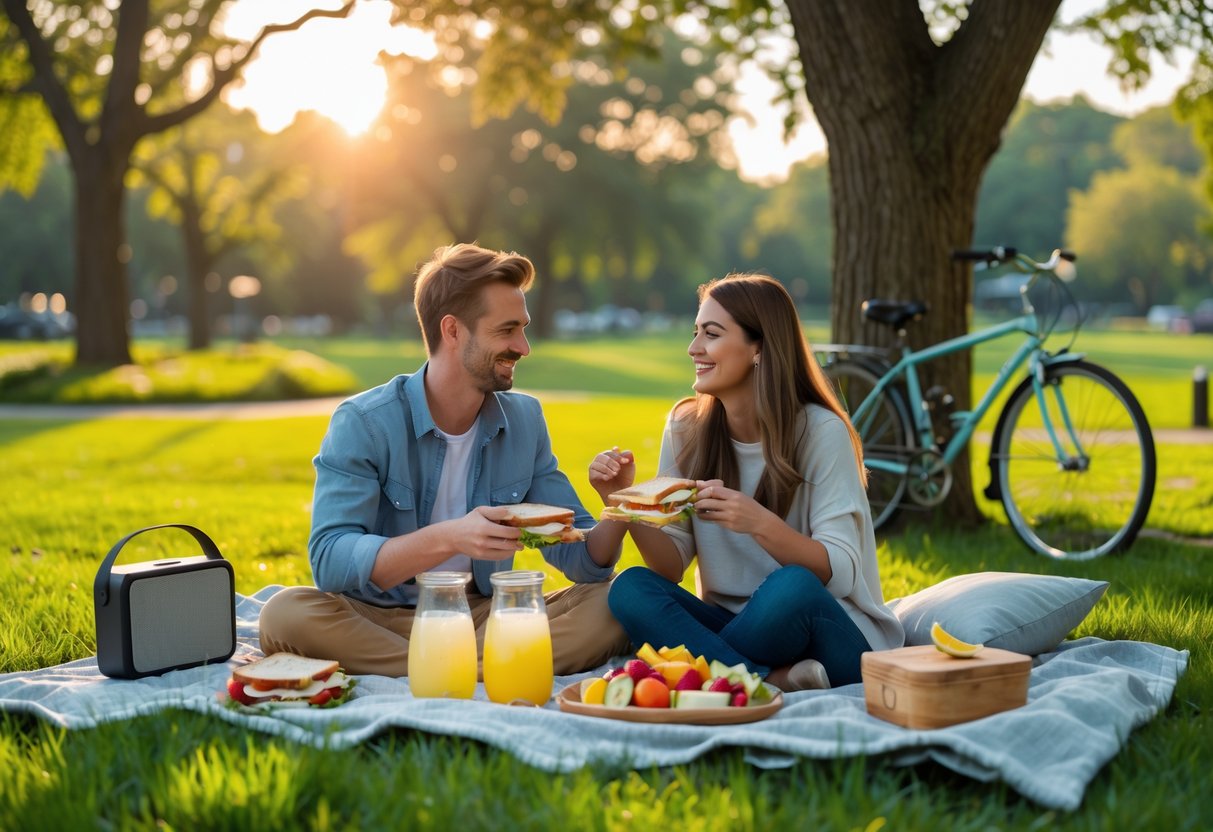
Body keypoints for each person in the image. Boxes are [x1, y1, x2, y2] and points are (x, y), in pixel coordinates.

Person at [259, 242, 629, 677]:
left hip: (482, 617)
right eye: (507, 330)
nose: (524, 347)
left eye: (523, 329)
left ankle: (441, 667)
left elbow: (583, 560)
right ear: (452, 330)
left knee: (620, 600)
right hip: (378, 619)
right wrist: (452, 537)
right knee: (285, 613)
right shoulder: (364, 422)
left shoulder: (524, 420)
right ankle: (493, 664)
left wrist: (620, 507)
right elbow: (331, 560)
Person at [590, 273, 903, 691]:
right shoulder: (685, 428)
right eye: (696, 332)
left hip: (830, 629)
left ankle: (716, 673)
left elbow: (840, 571)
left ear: (758, 347)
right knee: (631, 588)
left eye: (711, 334)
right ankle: (765, 680)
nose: (693, 348)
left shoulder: (821, 431)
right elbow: (670, 567)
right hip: (737, 625)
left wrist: (758, 522)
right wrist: (626, 504)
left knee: (790, 586)